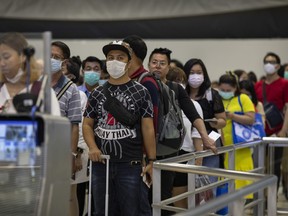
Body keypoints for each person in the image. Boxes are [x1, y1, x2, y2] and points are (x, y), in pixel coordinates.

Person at [82, 40, 156, 216]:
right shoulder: (97, 92)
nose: (114, 61)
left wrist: (152, 161)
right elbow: (87, 124)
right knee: (102, 210)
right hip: (101, 164)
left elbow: (148, 128)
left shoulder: (141, 91)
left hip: (130, 164)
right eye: (110, 57)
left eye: (120, 57)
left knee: (133, 210)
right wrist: (92, 147)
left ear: (129, 62)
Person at [147, 47, 217, 215]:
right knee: (144, 198)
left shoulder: (176, 89)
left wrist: (205, 137)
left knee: (164, 198)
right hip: (142, 151)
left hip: (168, 151)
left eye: (162, 63)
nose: (157, 66)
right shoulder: (142, 86)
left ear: (168, 66)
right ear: (148, 64)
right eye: (154, 62)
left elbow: (193, 114)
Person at [51, 41, 82, 216]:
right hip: (37, 149)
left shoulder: (71, 89)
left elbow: (74, 126)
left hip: (61, 151)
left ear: (64, 61)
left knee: (68, 196)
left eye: (56, 57)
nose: (51, 59)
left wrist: (71, 155)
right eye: (49, 55)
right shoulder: (35, 83)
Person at [183, 58, 226, 185]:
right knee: (188, 185)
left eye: (199, 72)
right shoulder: (181, 93)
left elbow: (223, 120)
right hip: (187, 141)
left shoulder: (211, 94)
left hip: (209, 140)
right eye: (191, 72)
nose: (195, 76)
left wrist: (216, 122)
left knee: (208, 183)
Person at [166, 66, 204, 208]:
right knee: (163, 198)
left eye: (181, 80)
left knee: (180, 200)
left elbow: (196, 132)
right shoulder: (161, 103)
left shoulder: (194, 105)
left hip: (186, 154)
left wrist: (199, 156)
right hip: (166, 154)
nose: (179, 84)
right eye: (175, 80)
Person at [218, 72, 255, 215]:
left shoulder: (243, 98)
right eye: (223, 90)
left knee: (240, 193)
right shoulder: (217, 99)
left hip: (241, 151)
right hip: (224, 150)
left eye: (229, 90)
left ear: (235, 88)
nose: (225, 93)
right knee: (224, 191)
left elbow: (251, 119)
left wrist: (233, 116)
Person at [0, 32, 60, 115]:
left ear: (23, 56)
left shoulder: (41, 91)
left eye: (6, 57)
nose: (2, 63)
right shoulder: (2, 89)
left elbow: (53, 126)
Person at [254, 52, 288, 189]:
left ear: (278, 65)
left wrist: (283, 130)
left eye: (272, 62)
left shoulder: (284, 84)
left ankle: (271, 199)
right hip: (260, 133)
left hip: (277, 132)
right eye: (266, 62)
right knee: (259, 167)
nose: (269, 64)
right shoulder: (258, 85)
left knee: (274, 167)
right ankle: (260, 198)